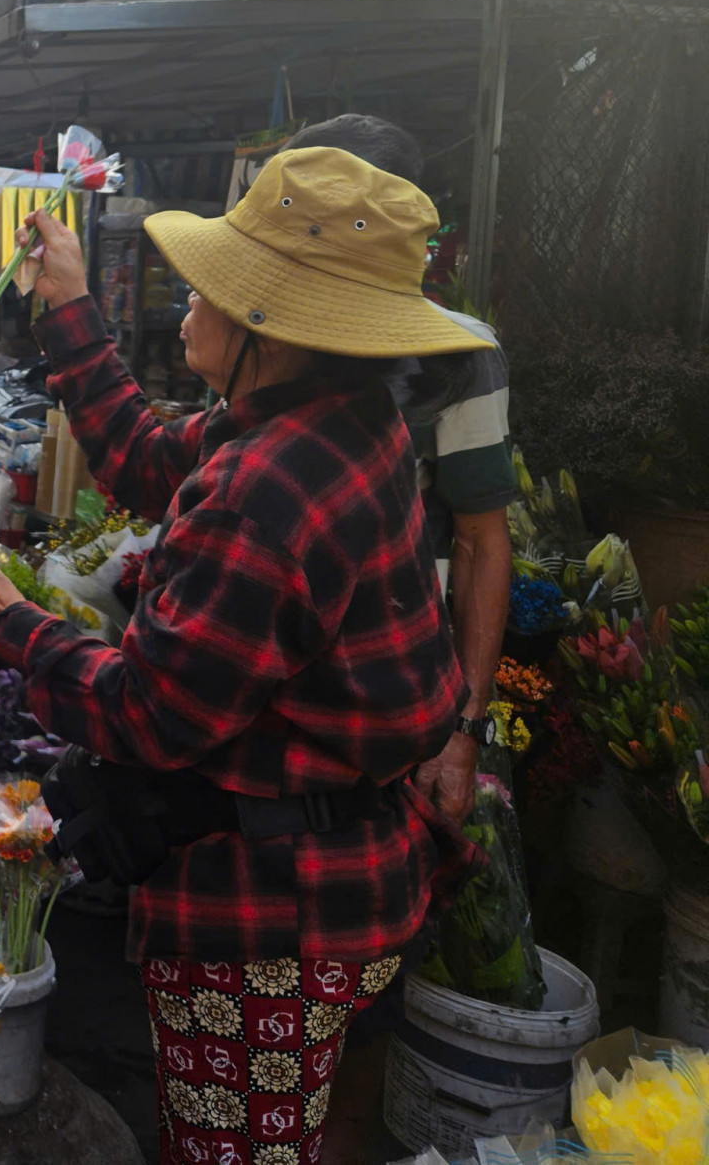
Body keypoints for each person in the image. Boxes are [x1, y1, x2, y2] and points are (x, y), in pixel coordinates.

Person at [0, 147, 486, 1165]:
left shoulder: (264, 489)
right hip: (346, 872)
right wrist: (66, 303)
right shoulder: (329, 421)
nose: (186, 301)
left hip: (269, 921)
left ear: (269, 330)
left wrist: (9, 623)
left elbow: (149, 715)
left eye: (212, 288)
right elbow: (146, 461)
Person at [283, 116, 518, 1163]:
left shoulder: (456, 357)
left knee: (370, 975)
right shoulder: (279, 321)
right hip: (288, 699)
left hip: (401, 701)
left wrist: (462, 729)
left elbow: (477, 538)